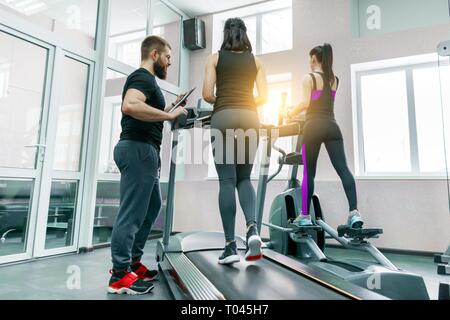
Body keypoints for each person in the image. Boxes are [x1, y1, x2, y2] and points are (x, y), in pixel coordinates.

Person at [108, 36, 188, 295]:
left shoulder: (147, 81)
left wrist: (169, 107)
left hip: (143, 150)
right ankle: (119, 275)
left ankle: (132, 263)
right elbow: (130, 105)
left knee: (152, 207)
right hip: (137, 150)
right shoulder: (143, 76)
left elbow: (143, 110)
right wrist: (168, 115)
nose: (170, 62)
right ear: (154, 54)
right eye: (167, 57)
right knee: (131, 214)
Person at [203, 18, 268, 265]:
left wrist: (224, 100)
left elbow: (207, 93)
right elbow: (264, 96)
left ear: (225, 33)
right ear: (244, 34)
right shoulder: (257, 61)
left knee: (227, 181)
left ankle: (230, 246)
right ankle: (252, 229)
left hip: (224, 116)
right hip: (250, 117)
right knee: (244, 178)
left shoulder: (214, 58)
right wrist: (245, 101)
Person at [283, 43, 363, 229]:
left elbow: (305, 103)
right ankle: (354, 213)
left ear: (313, 59)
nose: (309, 63)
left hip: (313, 128)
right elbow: (321, 104)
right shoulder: (334, 79)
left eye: (309, 60)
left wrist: (289, 113)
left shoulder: (309, 78)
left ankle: (304, 215)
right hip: (332, 126)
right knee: (343, 170)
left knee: (308, 173)